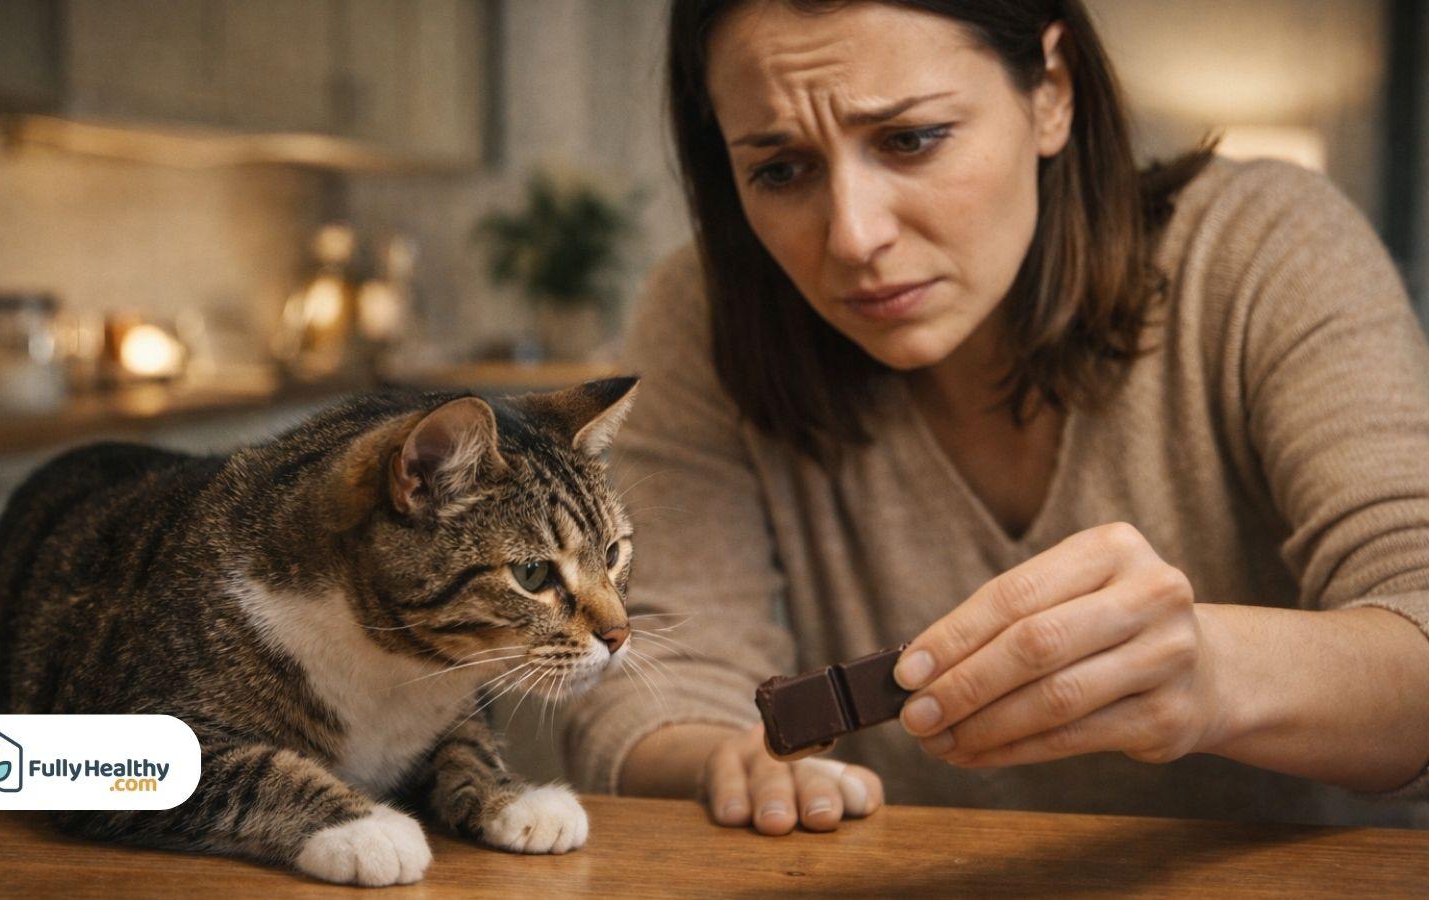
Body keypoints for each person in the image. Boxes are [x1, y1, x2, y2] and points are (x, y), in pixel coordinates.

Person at [560, 0, 1429, 833]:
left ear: (1051, 90)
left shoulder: (1264, 250)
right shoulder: (709, 314)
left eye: (910, 139)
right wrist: (727, 759)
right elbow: (649, 688)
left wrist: (1214, 674)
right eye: (781, 170)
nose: (854, 237)